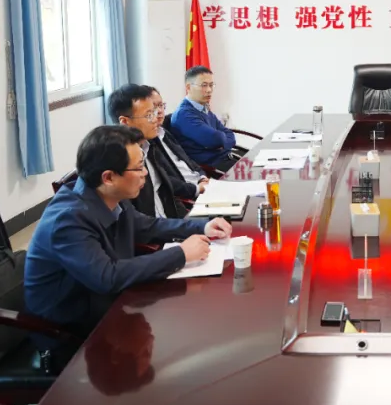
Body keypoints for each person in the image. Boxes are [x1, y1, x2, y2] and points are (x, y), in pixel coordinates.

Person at [25, 125, 231, 364]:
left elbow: (146, 226)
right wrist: (181, 254)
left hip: (106, 306)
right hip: (70, 333)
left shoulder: (105, 194)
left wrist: (202, 226)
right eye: (138, 167)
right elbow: (106, 277)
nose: (145, 173)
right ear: (109, 177)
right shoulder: (68, 220)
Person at [109, 84, 207, 218]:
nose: (156, 118)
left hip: (171, 223)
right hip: (158, 229)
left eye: (154, 112)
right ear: (125, 122)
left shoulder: (148, 147)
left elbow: (169, 197)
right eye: (149, 115)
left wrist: (188, 222)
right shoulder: (121, 164)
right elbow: (139, 222)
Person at [169, 66, 239, 172]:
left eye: (211, 85)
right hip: (211, 168)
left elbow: (229, 135)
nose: (209, 90)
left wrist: (223, 143)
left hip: (226, 157)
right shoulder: (184, 114)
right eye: (204, 85)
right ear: (188, 87)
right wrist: (222, 141)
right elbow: (216, 139)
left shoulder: (202, 107)